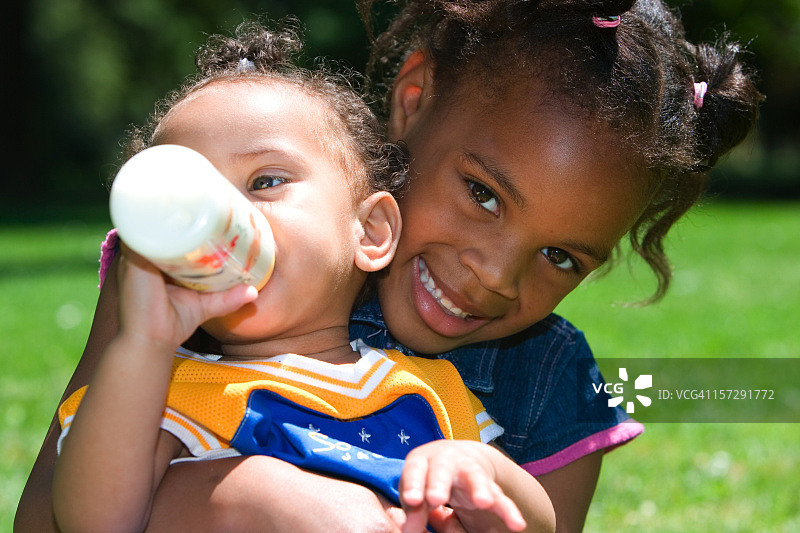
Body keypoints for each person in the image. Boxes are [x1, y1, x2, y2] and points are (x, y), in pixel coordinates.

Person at [16, 0, 763, 531]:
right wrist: (266, 501)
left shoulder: (513, 385)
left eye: (560, 256)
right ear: (412, 99)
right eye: (483, 194)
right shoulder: (180, 289)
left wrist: (489, 476)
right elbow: (56, 515)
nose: (495, 277)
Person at [49, 20, 555, 533]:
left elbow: (538, 524)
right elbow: (93, 523)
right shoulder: (173, 392)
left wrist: (488, 471)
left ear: (371, 232)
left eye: (265, 181)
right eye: (191, 201)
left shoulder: (431, 391)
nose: (223, 220)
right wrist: (144, 344)